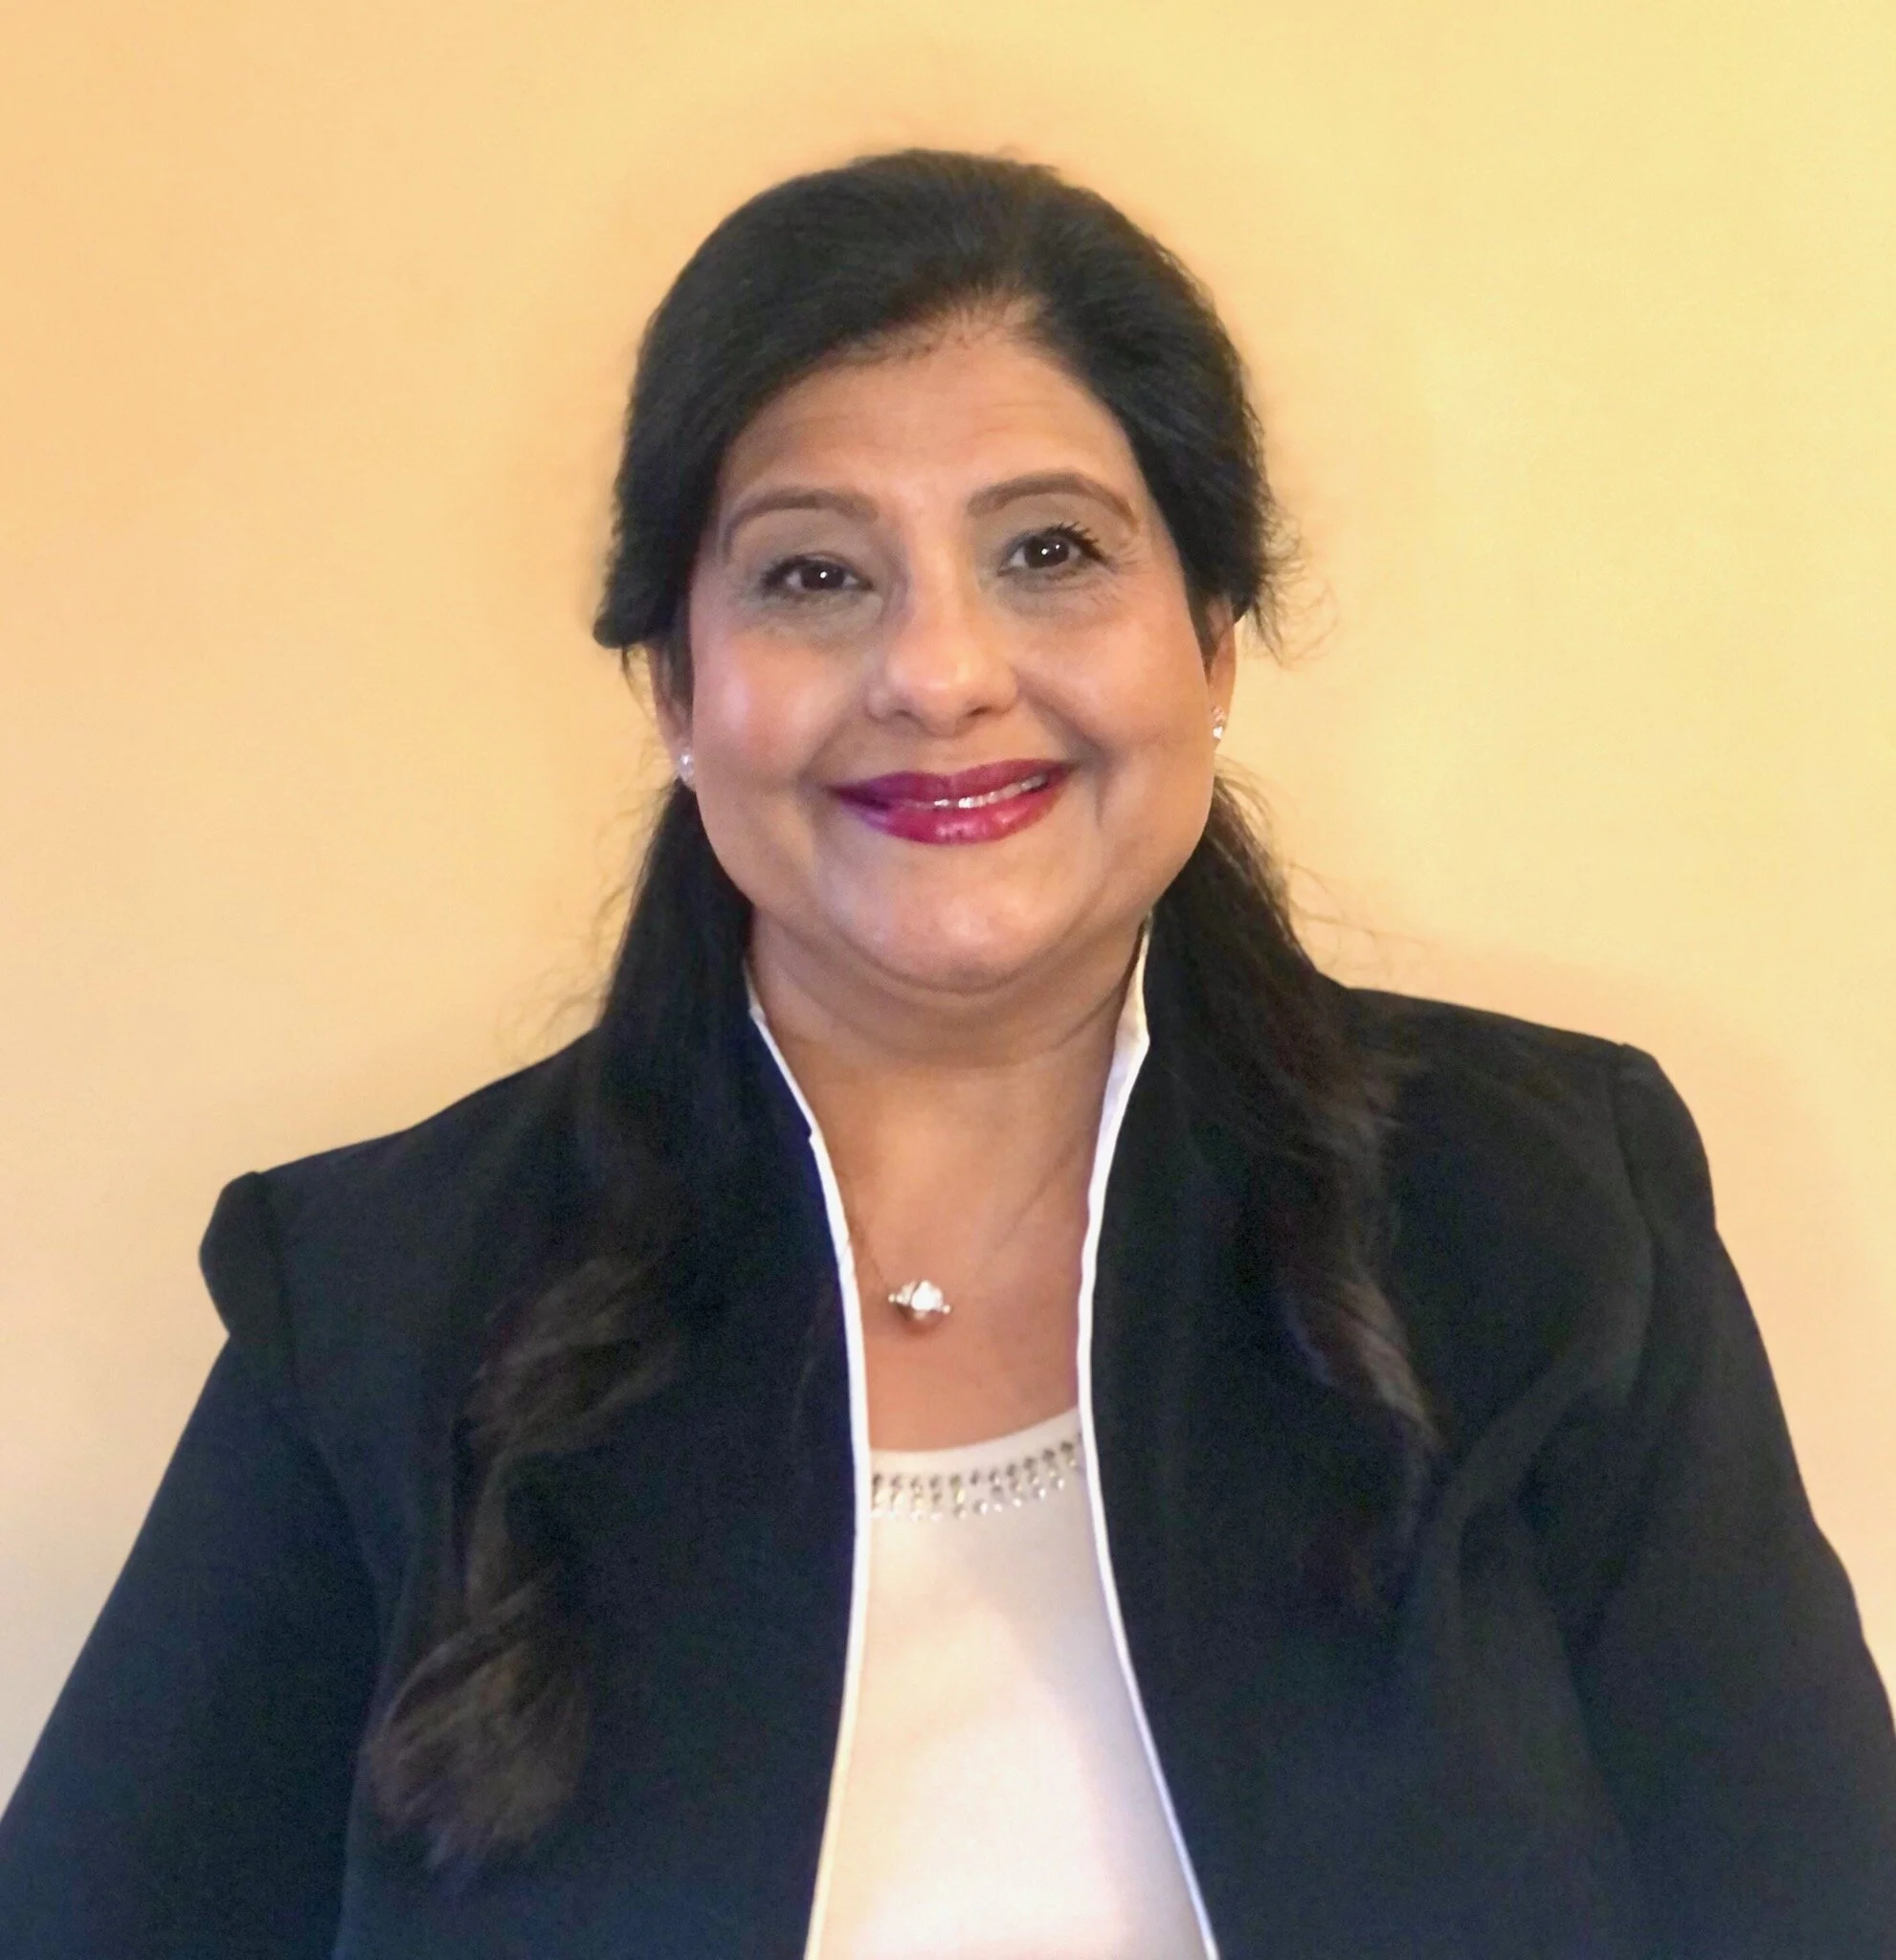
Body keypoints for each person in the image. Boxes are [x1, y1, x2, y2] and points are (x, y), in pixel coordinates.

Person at [1, 146, 1891, 1960]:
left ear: (1212, 642)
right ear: (677, 687)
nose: (940, 672)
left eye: (1050, 551)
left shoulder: (1545, 1210)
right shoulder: (380, 1303)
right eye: (815, 576)